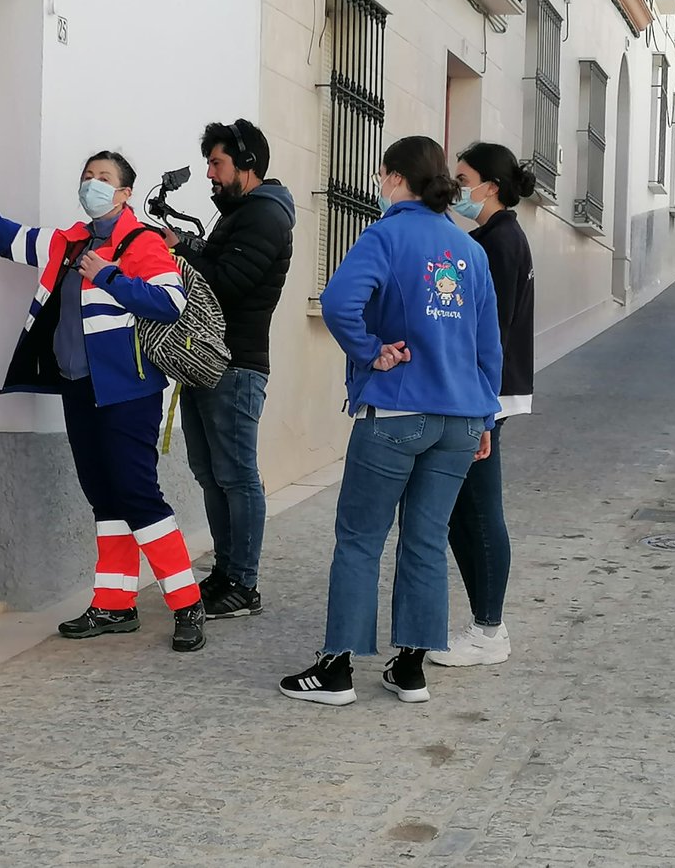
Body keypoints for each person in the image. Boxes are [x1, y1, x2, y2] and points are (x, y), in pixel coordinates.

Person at [0, 152, 207, 652]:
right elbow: (12, 237)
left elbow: (170, 302)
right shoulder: (69, 241)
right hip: (80, 387)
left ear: (124, 193)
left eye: (104, 179)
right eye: (87, 177)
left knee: (138, 495)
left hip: (129, 390)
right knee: (104, 496)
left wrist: (107, 276)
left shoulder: (140, 242)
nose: (92, 184)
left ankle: (187, 603)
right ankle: (114, 605)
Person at [279, 136, 502, 706]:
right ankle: (410, 668)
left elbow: (336, 303)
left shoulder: (385, 235)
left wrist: (371, 349)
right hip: (458, 420)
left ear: (398, 177)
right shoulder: (469, 250)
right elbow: (487, 348)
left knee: (359, 539)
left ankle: (336, 671)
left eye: (383, 175)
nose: (379, 183)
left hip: (397, 412)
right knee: (425, 539)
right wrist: (485, 421)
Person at [161, 120, 295, 620]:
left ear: (246, 164)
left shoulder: (264, 217)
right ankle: (225, 571)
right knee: (211, 474)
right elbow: (217, 263)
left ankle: (245, 583)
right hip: (208, 362)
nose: (210, 175)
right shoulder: (240, 214)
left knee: (237, 476)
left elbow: (226, 285)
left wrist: (176, 258)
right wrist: (188, 245)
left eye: (217, 164)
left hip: (235, 366)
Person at [431, 142, 536, 668]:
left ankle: (489, 629)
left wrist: (477, 405)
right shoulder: (495, 237)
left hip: (482, 396)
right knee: (459, 513)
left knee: (477, 510)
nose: (457, 187)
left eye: (464, 177)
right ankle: (484, 622)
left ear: (490, 186)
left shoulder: (498, 243)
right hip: (484, 393)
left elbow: (487, 330)